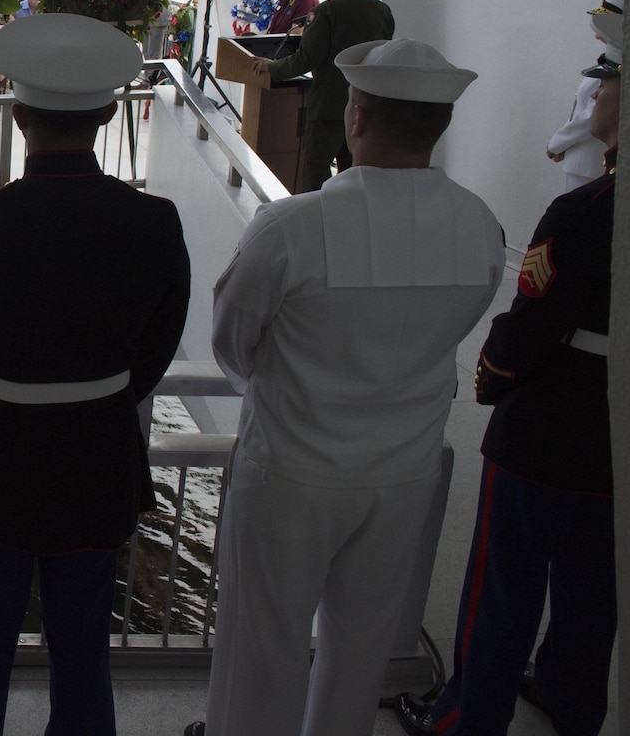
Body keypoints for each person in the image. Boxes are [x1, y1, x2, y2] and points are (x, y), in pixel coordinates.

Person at [196, 39, 506, 736]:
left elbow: (231, 342)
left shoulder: (291, 226)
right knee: (362, 644)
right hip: (402, 472)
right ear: (438, 125)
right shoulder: (479, 227)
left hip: (291, 470)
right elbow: (458, 326)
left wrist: (281, 392)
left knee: (262, 639)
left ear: (356, 117)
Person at [0, 14, 191, 736]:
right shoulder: (154, 222)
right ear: (106, 113)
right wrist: (100, 397)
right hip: (97, 453)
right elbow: (156, 348)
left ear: (16, 117)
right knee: (83, 641)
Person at [397, 9, 622, 736]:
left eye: (608, 86)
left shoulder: (584, 210)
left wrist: (492, 376)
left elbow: (530, 322)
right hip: (615, 432)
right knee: (596, 583)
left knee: (505, 585)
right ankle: (571, 700)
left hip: (552, 423)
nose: (597, 98)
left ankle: (470, 717)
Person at [251, 0, 395, 191]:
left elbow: (307, 58)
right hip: (365, 105)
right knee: (353, 174)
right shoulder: (381, 11)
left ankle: (315, 224)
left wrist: (272, 67)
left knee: (316, 172)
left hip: (328, 105)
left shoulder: (326, 11)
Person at [547, 0, 621, 192]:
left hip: (588, 163)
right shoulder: (609, 61)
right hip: (582, 160)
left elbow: (591, 116)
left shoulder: (615, 66)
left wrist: (557, 143)